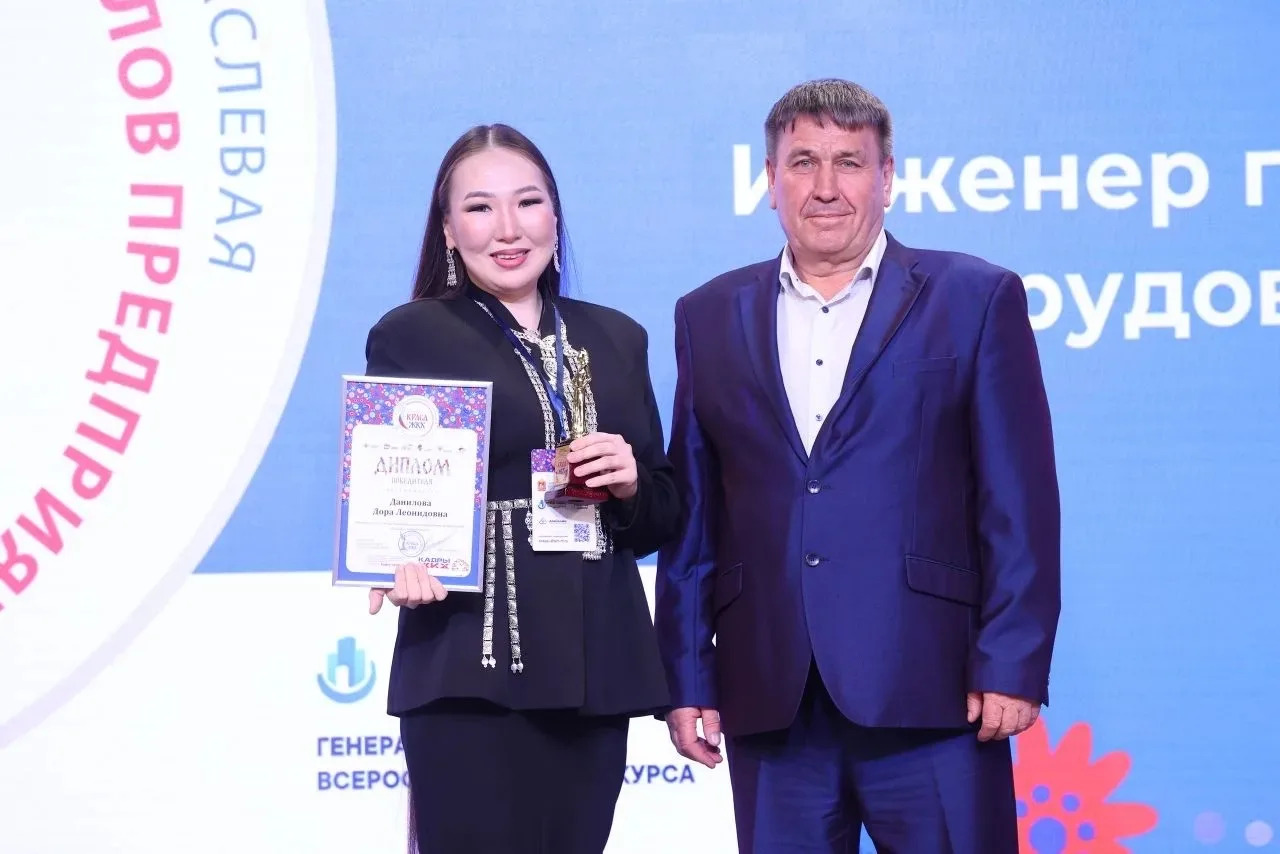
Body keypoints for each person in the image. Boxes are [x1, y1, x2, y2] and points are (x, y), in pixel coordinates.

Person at [654, 79, 1061, 852]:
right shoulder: (708, 314)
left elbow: (1019, 501)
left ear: (887, 176)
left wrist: (1011, 659)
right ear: (769, 177)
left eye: (849, 162)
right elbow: (696, 518)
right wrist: (687, 677)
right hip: (771, 697)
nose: (826, 186)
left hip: (937, 692)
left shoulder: (975, 297)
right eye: (803, 162)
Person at [363, 123, 678, 853]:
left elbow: (662, 518)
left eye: (528, 202)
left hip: (596, 672)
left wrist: (632, 483)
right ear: (449, 231)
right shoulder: (412, 334)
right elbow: (391, 486)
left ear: (555, 218)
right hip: (471, 667)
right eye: (479, 208)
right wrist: (397, 557)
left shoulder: (618, 338)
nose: (508, 228)